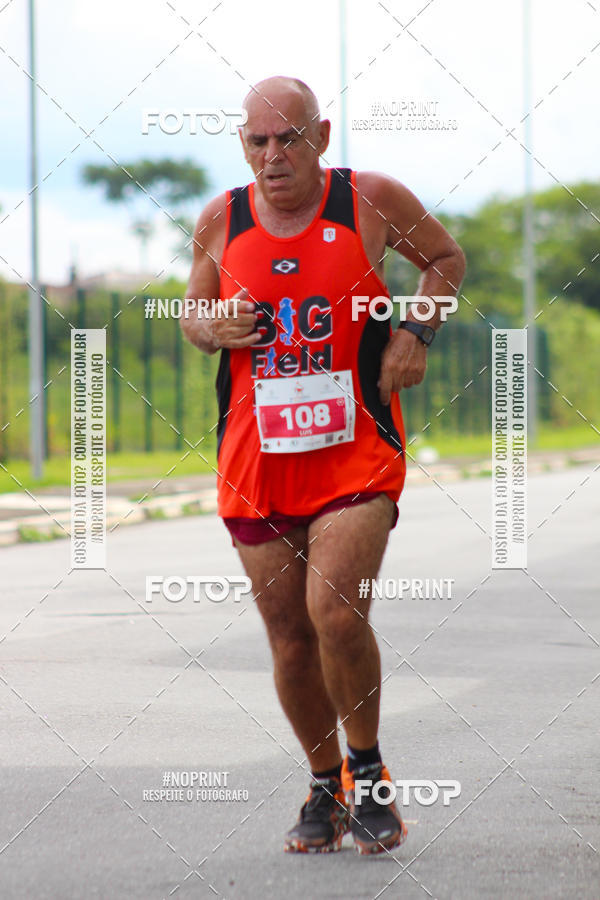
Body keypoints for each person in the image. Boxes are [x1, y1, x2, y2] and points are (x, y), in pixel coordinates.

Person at [183, 75, 465, 855]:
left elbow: (445, 258)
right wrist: (213, 324)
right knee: (289, 637)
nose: (273, 156)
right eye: (258, 141)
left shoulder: (369, 199)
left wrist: (417, 330)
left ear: (322, 136)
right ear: (243, 143)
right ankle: (325, 783)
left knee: (335, 612)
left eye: (289, 138)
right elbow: (190, 313)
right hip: (257, 459)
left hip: (354, 453)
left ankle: (368, 771)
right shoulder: (221, 217)